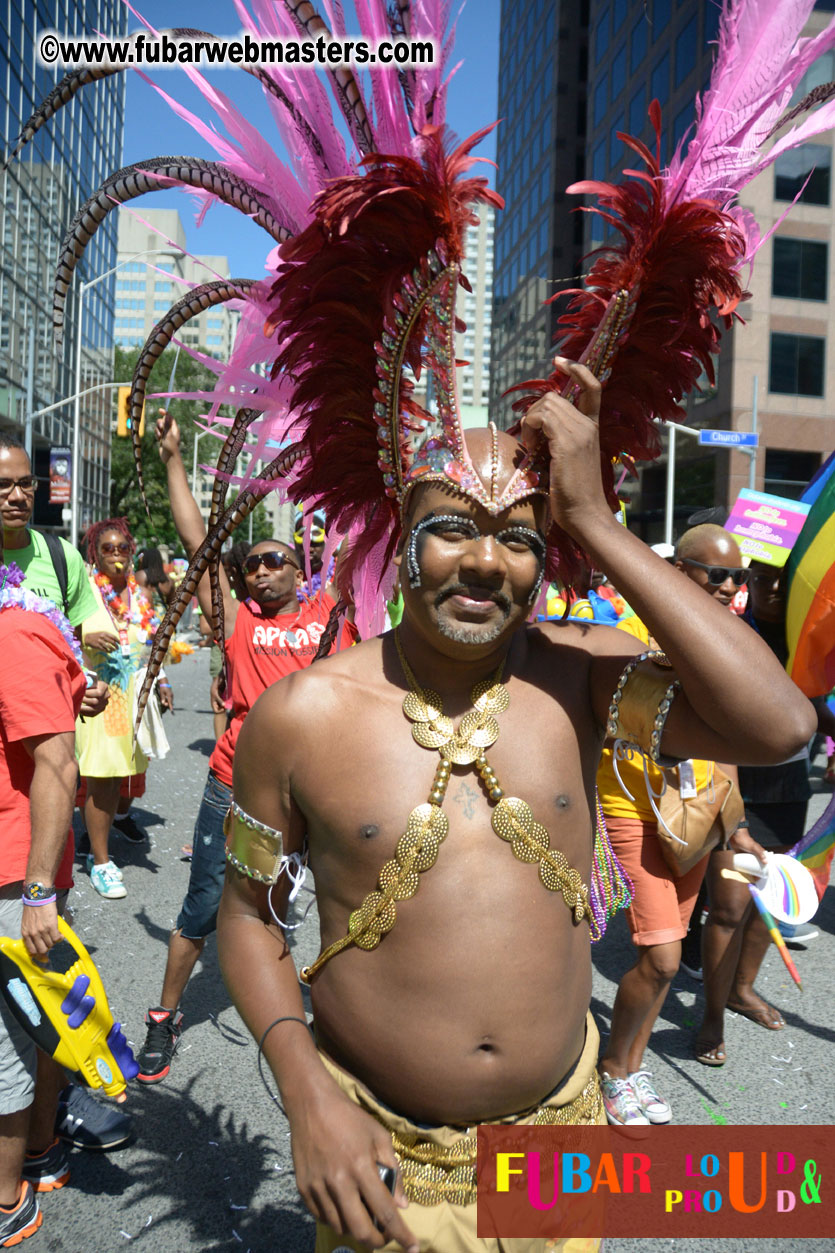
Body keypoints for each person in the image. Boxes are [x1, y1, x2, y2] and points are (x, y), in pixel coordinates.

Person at [217, 373, 814, 1253]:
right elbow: (245, 918)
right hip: (385, 1163)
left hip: (559, 1153)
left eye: (522, 539)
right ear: (400, 537)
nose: (487, 562)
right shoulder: (300, 716)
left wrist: (598, 522)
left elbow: (781, 724)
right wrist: (306, 1095)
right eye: (452, 528)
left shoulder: (578, 677)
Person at [135, 416, 356, 1084]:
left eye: (275, 560)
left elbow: (358, 538)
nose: (261, 570)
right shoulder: (238, 620)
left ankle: (340, 1022)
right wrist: (174, 460)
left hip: (316, 791)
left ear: (301, 568)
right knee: (205, 902)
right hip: (238, 785)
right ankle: (164, 1016)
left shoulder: (329, 614)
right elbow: (195, 540)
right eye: (253, 562)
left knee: (335, 903)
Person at [596, 526, 768, 1108]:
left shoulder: (725, 640)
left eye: (737, 577)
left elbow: (726, 742)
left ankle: (634, 1068)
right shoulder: (628, 633)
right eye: (715, 573)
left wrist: (734, 822)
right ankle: (616, 1069)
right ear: (676, 570)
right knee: (664, 955)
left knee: (665, 967)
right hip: (631, 809)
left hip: (691, 817)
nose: (728, 586)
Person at [0, 540, 112, 1244]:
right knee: (35, 1020)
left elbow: (57, 760)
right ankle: (38, 1150)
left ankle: (7, 1196)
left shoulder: (12, 632)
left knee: (11, 1036)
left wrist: (39, 890)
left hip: (13, 871)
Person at [76, 519, 172, 898]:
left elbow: (147, 645)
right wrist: (84, 634)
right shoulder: (84, 593)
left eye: (122, 549)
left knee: (123, 774)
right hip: (101, 694)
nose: (115, 555)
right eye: (107, 549)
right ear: (94, 555)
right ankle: (100, 862)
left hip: (135, 696)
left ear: (131, 554)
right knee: (103, 776)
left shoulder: (140, 597)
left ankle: (99, 842)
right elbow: (58, 630)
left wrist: (161, 681)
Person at [0, 432, 97, 630]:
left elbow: (74, 648)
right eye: (3, 485)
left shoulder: (63, 557)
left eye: (26, 483)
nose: (18, 496)